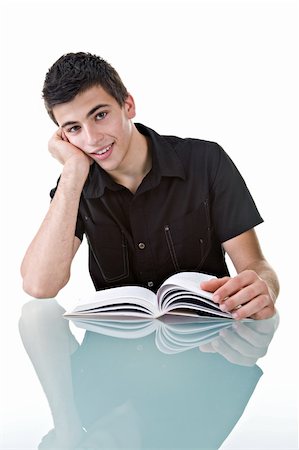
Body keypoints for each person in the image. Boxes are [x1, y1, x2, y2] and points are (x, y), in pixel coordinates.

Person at [20, 52, 279, 320]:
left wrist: (265, 288)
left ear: (128, 106)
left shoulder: (206, 161)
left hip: (207, 342)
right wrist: (73, 171)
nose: (92, 139)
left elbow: (255, 265)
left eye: (100, 115)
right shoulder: (74, 186)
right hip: (118, 353)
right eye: (73, 129)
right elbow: (39, 285)